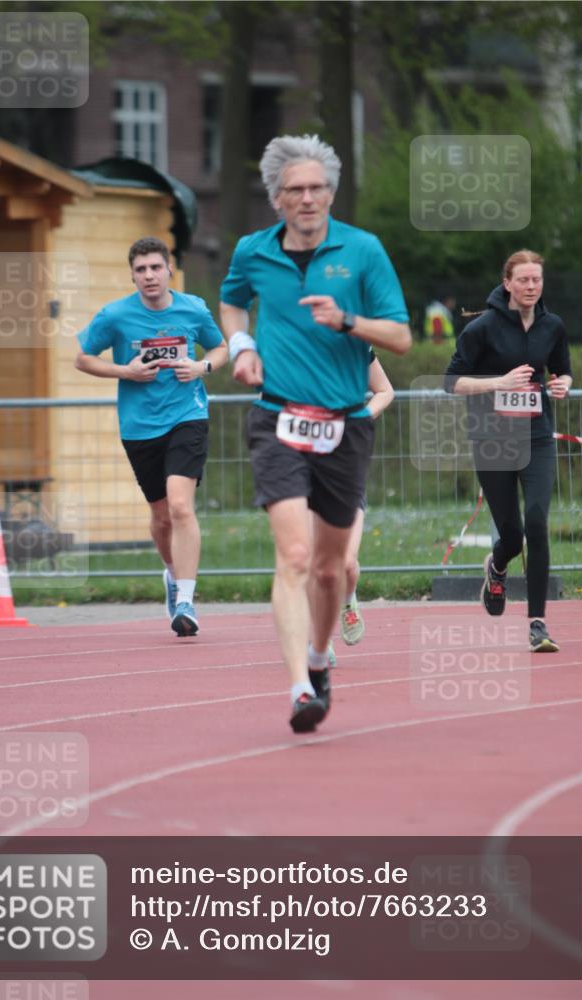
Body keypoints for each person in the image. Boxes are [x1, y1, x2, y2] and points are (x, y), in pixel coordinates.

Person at [219, 134, 411, 733]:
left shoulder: (363, 250)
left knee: (331, 570)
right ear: (277, 198)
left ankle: (321, 657)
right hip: (277, 417)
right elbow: (231, 303)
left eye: (318, 188)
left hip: (346, 425)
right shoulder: (253, 251)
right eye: (295, 190)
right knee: (294, 555)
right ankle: (301, 690)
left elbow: (401, 338)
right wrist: (242, 346)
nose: (308, 198)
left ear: (331, 193)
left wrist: (348, 320)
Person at [75, 236, 228, 637]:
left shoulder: (193, 308)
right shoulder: (115, 316)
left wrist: (201, 368)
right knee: (161, 517)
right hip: (140, 426)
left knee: (180, 506)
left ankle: (187, 600)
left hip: (187, 415)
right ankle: (172, 575)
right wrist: (126, 371)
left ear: (169, 270)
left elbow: (221, 348)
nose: (149, 276)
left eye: (155, 267)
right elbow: (83, 358)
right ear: (132, 275)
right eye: (141, 270)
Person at [444, 249, 572, 652]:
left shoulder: (553, 326)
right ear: (508, 284)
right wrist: (498, 383)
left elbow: (562, 369)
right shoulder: (481, 328)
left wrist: (563, 384)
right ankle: (497, 567)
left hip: (536, 437)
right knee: (513, 536)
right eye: (524, 280)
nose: (531, 286)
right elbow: (452, 382)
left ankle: (538, 623)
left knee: (536, 521)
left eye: (537, 280)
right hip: (492, 440)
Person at [338, 355, 395, 649]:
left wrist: (361, 417)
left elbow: (385, 391)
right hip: (302, 464)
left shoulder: (357, 342)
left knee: (346, 563)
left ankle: (348, 601)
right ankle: (316, 644)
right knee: (307, 560)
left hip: (346, 463)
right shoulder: (290, 339)